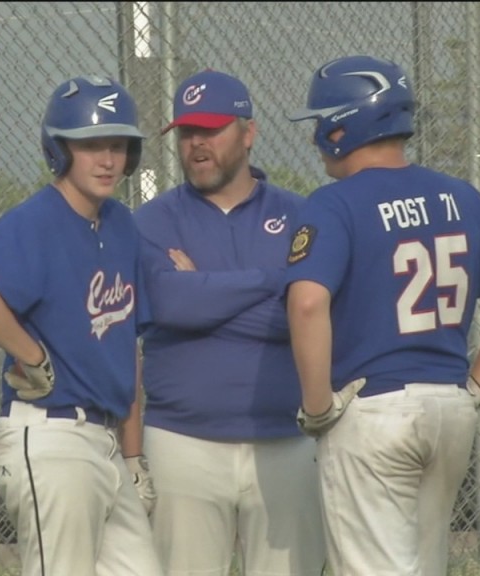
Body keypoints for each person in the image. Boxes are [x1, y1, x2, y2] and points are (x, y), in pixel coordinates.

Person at [283, 55, 480, 576]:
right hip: (449, 406)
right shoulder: (460, 196)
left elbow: (308, 302)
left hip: (374, 410)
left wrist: (317, 406)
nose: (316, 133)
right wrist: (478, 388)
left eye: (321, 120)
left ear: (343, 125)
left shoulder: (335, 203)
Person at [0, 75, 161, 576]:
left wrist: (133, 456)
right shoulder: (39, 219)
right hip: (50, 436)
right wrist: (32, 354)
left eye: (117, 145)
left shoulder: (122, 224)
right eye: (90, 146)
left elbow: (126, 344)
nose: (107, 160)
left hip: (105, 442)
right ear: (59, 149)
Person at [133, 68, 324, 575]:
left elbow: (312, 318)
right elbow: (172, 306)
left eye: (211, 130)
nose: (196, 144)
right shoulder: (151, 222)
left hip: (287, 438)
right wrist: (274, 281)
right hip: (183, 442)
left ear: (248, 132)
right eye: (187, 132)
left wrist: (206, 289)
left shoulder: (303, 215)